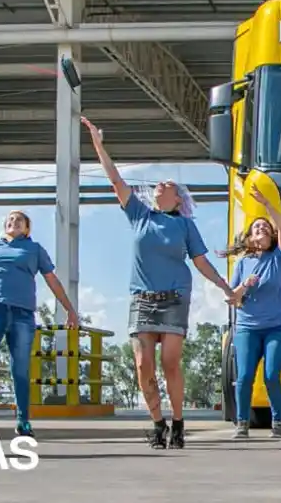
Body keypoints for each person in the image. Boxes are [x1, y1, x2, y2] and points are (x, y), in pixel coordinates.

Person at [82, 116, 235, 449]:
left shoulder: (186, 226)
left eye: (165, 184)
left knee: (169, 363)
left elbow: (201, 262)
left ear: (178, 198)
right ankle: (157, 423)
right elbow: (114, 178)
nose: (158, 186)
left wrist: (226, 288)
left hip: (175, 297)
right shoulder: (140, 214)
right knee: (142, 364)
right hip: (142, 298)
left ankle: (178, 422)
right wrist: (98, 143)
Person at [0, 210, 80, 438]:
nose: (13, 222)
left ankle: (23, 421)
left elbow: (52, 280)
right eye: (10, 219)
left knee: (19, 369)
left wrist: (69, 309)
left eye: (19, 220)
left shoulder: (34, 249)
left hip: (22, 314)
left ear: (27, 228)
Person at [224, 187, 281, 440]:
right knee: (244, 377)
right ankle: (242, 423)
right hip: (247, 327)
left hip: (278, 326)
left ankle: (278, 421)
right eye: (257, 228)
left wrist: (267, 205)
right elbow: (232, 298)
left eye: (266, 228)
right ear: (250, 237)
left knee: (271, 374)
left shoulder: (280, 257)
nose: (262, 230)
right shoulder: (243, 263)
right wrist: (245, 285)